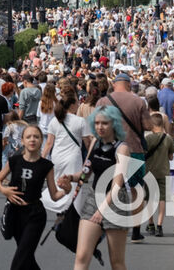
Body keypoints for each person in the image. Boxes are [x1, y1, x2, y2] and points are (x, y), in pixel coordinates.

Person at [0, 125, 72, 270]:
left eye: (36, 137)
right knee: (26, 258)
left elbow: (55, 195)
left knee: (19, 260)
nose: (32, 140)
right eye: (28, 137)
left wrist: (66, 190)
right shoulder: (14, 160)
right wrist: (5, 191)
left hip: (35, 215)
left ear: (42, 140)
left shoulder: (46, 165)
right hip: (15, 214)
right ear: (22, 140)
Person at [72, 106, 131, 270]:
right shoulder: (94, 143)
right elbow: (86, 172)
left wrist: (102, 210)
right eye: (97, 123)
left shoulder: (122, 148)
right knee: (82, 255)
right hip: (93, 198)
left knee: (116, 261)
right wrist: (71, 178)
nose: (100, 127)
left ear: (114, 124)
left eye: (104, 123)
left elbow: (117, 184)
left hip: (115, 203)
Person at [98, 72, 153, 243]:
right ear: (129, 85)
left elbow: (96, 125)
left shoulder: (103, 101)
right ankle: (136, 231)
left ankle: (104, 224)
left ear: (114, 84)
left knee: (107, 187)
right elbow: (148, 125)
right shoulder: (138, 101)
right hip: (133, 149)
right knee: (136, 190)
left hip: (108, 150)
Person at [41, 92, 87, 213]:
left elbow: (49, 143)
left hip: (57, 155)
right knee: (73, 183)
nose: (78, 105)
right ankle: (72, 209)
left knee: (58, 182)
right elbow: (88, 143)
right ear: (72, 105)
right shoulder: (80, 121)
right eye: (77, 103)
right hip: (73, 156)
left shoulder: (54, 121)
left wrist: (42, 158)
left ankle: (58, 206)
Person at [143, 113, 174, 237]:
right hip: (163, 171)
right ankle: (160, 226)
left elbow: (143, 154)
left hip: (149, 172)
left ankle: (151, 224)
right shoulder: (168, 139)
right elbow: (171, 157)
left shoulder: (148, 138)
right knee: (162, 199)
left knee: (149, 198)